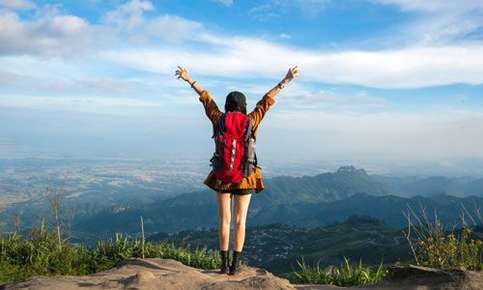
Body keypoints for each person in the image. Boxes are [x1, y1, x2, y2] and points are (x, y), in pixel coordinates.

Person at [175, 65, 300, 275]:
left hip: (222, 176)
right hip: (245, 177)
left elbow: (206, 99)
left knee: (224, 220)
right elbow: (266, 101)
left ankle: (223, 265)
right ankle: (235, 266)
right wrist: (286, 80)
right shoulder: (251, 120)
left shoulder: (219, 119)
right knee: (240, 221)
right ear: (243, 106)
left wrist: (189, 79)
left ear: (227, 105)